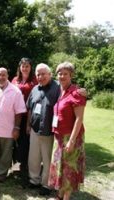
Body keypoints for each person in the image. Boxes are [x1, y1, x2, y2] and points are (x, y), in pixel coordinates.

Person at [48, 62, 86, 200]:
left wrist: (71, 141)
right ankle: (60, 194)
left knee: (69, 168)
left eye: (65, 73)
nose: (62, 76)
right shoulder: (61, 91)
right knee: (60, 167)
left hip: (71, 137)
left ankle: (66, 197)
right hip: (59, 137)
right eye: (60, 73)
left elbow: (79, 119)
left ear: (71, 75)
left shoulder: (76, 93)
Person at [0, 67, 26, 182]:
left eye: (3, 75)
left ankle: (2, 173)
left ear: (8, 76)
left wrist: (17, 128)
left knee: (6, 153)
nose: (1, 77)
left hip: (8, 129)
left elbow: (19, 112)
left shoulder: (15, 91)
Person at [26, 63, 60, 195]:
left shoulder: (58, 88)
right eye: (38, 74)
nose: (40, 77)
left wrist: (81, 92)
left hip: (49, 131)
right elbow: (30, 108)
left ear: (50, 74)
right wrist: (28, 125)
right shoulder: (34, 89)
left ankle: (46, 184)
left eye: (43, 74)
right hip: (35, 129)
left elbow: (70, 95)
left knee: (47, 159)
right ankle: (34, 180)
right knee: (33, 157)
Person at [11, 58, 37, 180]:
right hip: (15, 116)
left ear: (31, 67)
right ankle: (15, 166)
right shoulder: (15, 80)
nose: (25, 68)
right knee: (14, 142)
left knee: (24, 143)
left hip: (27, 116)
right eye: (23, 66)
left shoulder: (35, 81)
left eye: (27, 66)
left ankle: (23, 168)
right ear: (19, 67)